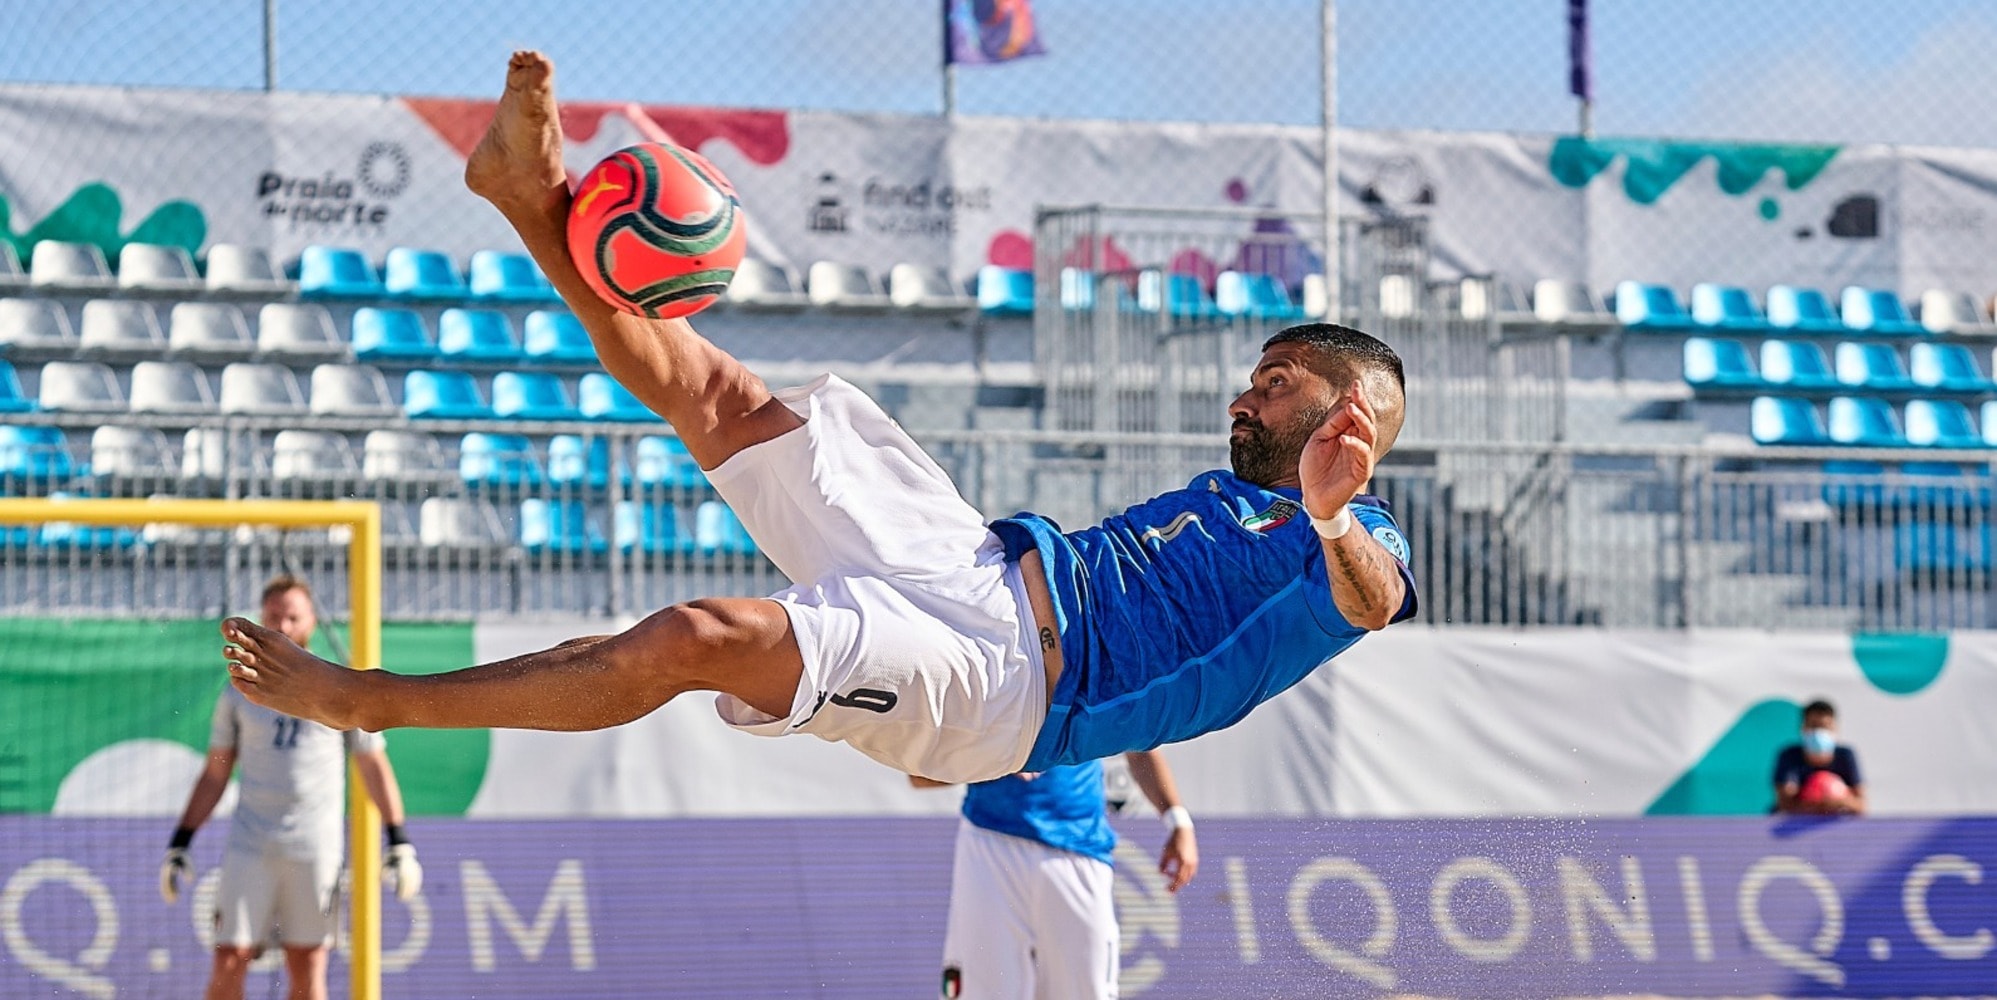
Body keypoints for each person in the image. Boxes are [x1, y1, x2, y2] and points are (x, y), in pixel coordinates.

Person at [218, 51, 1417, 786]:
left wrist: (1328, 519)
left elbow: (1372, 600)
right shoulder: (1239, 491)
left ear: (1347, 408)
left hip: (1001, 689)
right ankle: (531, 201)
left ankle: (368, 697)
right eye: (1256, 377)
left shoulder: (1356, 540)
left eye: (1272, 379)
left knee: (697, 634)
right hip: (985, 563)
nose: (1242, 392)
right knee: (721, 392)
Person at [161, 575, 423, 1000]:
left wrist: (400, 841)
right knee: (229, 961)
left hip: (315, 847)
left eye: (292, 616)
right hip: (252, 843)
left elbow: (372, 764)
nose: (282, 626)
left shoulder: (339, 687)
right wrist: (181, 842)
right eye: (273, 617)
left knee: (308, 970)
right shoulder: (238, 692)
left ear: (311, 622)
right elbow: (215, 773)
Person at [914, 751, 1198, 999]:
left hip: (1079, 852)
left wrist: (1178, 820)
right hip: (990, 846)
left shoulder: (1094, 686)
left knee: (1088, 992)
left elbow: (1139, 741)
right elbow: (918, 773)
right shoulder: (976, 687)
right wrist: (996, 758)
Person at [1773, 699, 1866, 816]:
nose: (1819, 732)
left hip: (1835, 827)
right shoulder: (1789, 756)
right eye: (1813, 726)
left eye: (1825, 727)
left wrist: (1837, 800)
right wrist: (1823, 803)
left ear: (1835, 729)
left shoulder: (1845, 755)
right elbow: (1785, 805)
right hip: (1794, 827)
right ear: (1803, 728)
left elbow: (1861, 805)